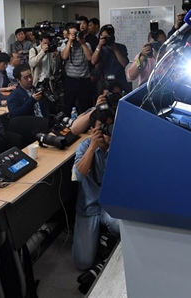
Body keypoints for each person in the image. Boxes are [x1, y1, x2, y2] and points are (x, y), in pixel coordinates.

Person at [72, 114, 119, 270]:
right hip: (89, 206)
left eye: (109, 126)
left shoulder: (119, 145)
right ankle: (97, 239)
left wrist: (113, 149)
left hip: (110, 204)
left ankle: (105, 238)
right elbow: (78, 175)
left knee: (120, 227)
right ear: (92, 130)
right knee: (83, 263)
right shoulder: (84, 146)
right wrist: (92, 147)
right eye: (101, 128)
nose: (105, 132)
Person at [59, 24, 94, 117]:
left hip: (84, 80)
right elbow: (64, 57)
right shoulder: (65, 44)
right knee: (68, 106)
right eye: (72, 33)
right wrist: (70, 41)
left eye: (76, 33)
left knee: (87, 106)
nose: (74, 35)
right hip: (70, 79)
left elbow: (90, 58)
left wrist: (82, 43)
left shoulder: (86, 44)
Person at [91, 24, 129, 93]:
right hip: (104, 83)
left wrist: (115, 49)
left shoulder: (121, 47)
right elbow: (93, 61)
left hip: (119, 81)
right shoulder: (100, 49)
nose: (106, 39)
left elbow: (124, 63)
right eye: (104, 37)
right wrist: (99, 45)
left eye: (108, 37)